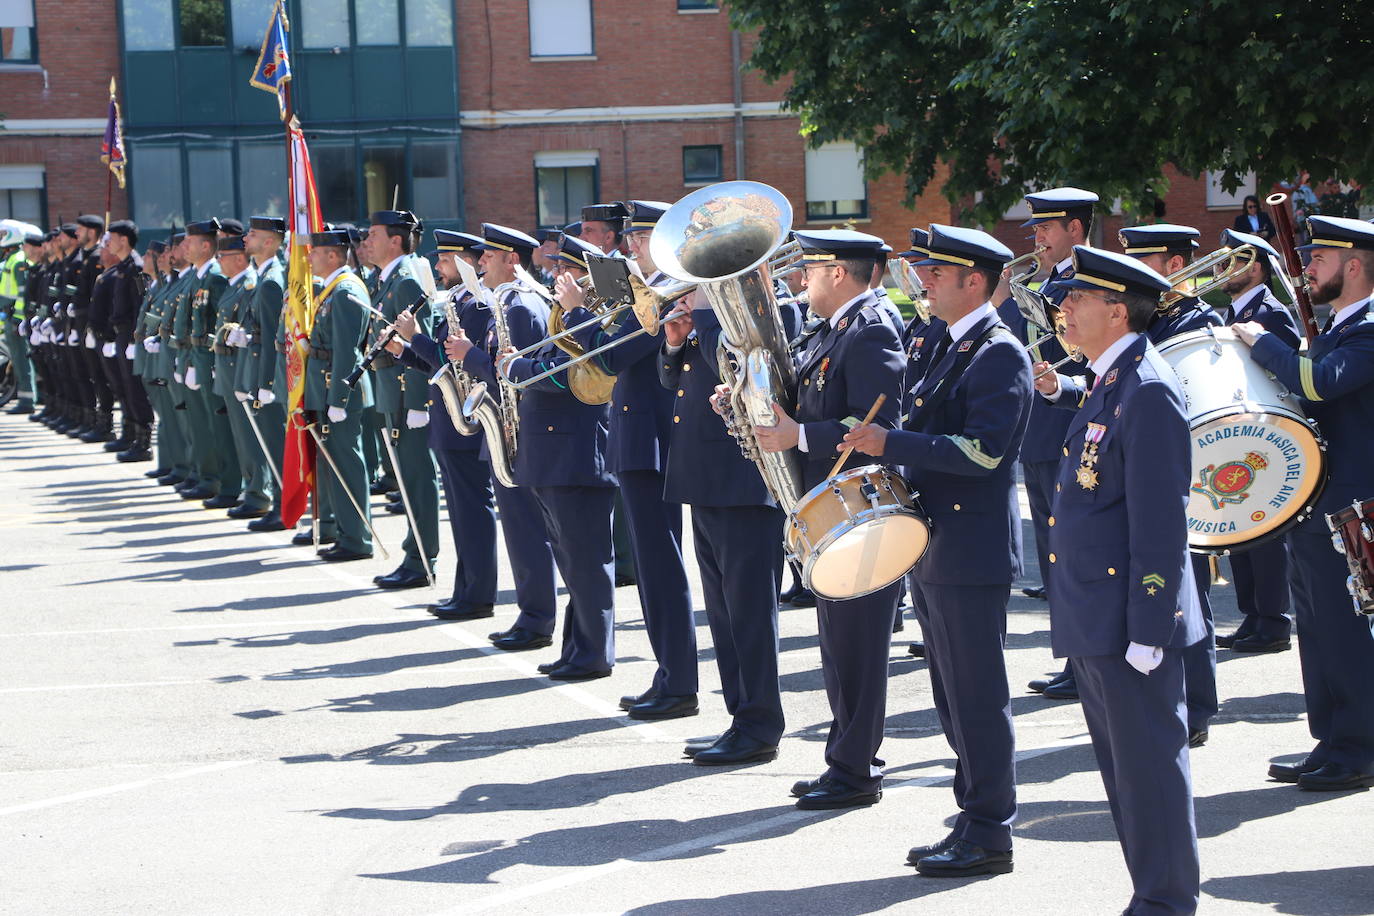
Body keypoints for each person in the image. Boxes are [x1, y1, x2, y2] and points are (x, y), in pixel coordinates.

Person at [845, 224, 1030, 877]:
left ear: (972, 281)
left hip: (971, 546)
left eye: (937, 273)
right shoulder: (945, 342)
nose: (922, 280)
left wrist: (888, 445)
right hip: (935, 543)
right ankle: (974, 814)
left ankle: (990, 831)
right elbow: (915, 423)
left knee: (977, 695)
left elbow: (982, 453)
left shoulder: (998, 353)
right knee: (952, 695)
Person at [1038, 244, 1205, 914]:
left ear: (1119, 309)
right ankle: (1152, 895)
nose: (1062, 308)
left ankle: (1167, 903)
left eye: (1077, 299)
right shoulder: (1111, 377)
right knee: (1125, 776)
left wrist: (1150, 629)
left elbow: (1162, 524)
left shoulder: (1148, 388)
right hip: (1095, 611)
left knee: (1149, 774)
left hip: (1126, 620)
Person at [752, 229, 905, 809]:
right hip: (833, 509)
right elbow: (812, 399)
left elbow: (879, 423)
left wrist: (801, 434)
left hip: (863, 511)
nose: (801, 279)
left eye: (810, 269)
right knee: (839, 644)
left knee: (858, 646)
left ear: (838, 273)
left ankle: (856, 768)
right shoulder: (838, 329)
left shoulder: (870, 331)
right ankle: (846, 758)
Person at [1233, 214, 1374, 792]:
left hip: (1353, 505)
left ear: (1356, 267)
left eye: (1321, 259)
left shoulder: (1368, 329)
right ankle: (1332, 737)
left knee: (1345, 629)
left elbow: (1319, 383)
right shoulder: (1341, 324)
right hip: (1317, 497)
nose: (1308, 267)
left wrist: (1263, 343)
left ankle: (1360, 745)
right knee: (1316, 626)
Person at [563, 200, 697, 720]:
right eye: (634, 239)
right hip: (637, 438)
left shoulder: (666, 290)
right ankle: (670, 675)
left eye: (640, 239)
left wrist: (578, 313)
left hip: (652, 442)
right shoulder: (643, 289)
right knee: (651, 565)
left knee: (661, 567)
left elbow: (612, 354)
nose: (630, 246)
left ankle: (678, 681)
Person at [664, 286, 787, 764]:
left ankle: (760, 724)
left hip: (745, 484)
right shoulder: (709, 317)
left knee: (750, 615)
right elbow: (671, 380)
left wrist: (703, 315)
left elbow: (744, 371)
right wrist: (676, 341)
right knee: (723, 614)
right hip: (706, 480)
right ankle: (741, 717)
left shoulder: (764, 311)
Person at [1114, 223, 1221, 747]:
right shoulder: (1155, 319)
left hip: (1188, 465)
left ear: (1174, 267)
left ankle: (1196, 703)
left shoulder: (1197, 322)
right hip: (1144, 460)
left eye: (1145, 261)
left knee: (1187, 590)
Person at [1002, 188, 1098, 701]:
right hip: (1040, 432)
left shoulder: (1090, 285)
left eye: (1045, 229)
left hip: (1072, 430)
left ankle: (1085, 660)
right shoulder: (1040, 284)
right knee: (1054, 555)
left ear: (1076, 231)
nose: (1036, 238)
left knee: (1076, 555)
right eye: (1036, 230)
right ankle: (1072, 658)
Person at [448, 223, 558, 645]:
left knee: (526, 530)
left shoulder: (522, 305)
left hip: (523, 432)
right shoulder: (508, 302)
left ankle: (537, 619)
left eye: (489, 257)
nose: (479, 264)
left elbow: (517, 377)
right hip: (512, 431)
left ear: (513, 260)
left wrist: (471, 356)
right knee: (517, 529)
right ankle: (530, 615)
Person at [389, 229, 499, 620]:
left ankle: (478, 593)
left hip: (465, 422)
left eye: (446, 260)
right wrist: (404, 349)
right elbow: (436, 361)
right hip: (449, 420)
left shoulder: (478, 306)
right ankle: (465, 589)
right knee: (460, 511)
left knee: (472, 510)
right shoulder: (458, 300)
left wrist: (416, 337)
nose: (438, 267)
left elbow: (453, 360)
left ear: (467, 262)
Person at [1213, 228, 1301, 654]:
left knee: (1265, 536)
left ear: (1258, 269)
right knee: (1241, 533)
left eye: (1234, 261)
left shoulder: (1273, 312)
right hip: (1237, 428)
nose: (1221, 268)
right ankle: (1252, 616)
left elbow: (1285, 374)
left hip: (1264, 433)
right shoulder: (1226, 312)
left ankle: (1275, 622)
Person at [366, 209, 441, 590]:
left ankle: (421, 559)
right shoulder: (388, 279)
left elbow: (419, 343)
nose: (366, 241)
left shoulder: (406, 280)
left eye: (373, 234)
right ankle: (413, 552)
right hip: (389, 391)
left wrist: (417, 403)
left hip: (405, 394)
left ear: (395, 240)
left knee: (417, 477)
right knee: (405, 478)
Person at [304, 227, 375, 562]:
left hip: (339, 389)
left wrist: (338, 399)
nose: (309, 257)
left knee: (346, 463)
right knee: (335, 464)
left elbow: (348, 351)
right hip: (327, 386)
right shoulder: (332, 290)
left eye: (315, 252)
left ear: (333, 254)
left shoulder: (345, 290)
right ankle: (346, 532)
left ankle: (357, 538)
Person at [240, 216, 290, 533]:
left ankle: (285, 506)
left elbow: (273, 335)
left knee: (276, 443)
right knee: (270, 444)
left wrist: (267, 383)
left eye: (253, 234)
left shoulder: (272, 280)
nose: (246, 238)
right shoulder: (262, 275)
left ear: (270, 242)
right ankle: (281, 503)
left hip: (268, 375)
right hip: (257, 368)